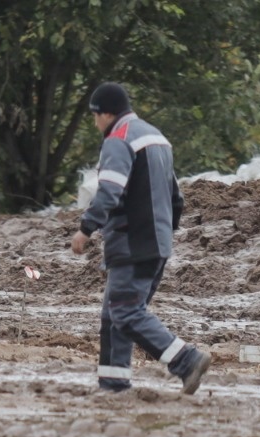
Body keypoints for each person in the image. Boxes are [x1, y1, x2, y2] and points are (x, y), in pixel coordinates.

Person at [71, 82, 211, 394]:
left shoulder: (118, 140)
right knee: (114, 314)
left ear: (107, 113)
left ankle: (186, 360)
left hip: (132, 243)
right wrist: (163, 233)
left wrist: (85, 228)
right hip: (156, 243)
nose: (96, 124)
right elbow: (177, 198)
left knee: (125, 311)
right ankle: (113, 382)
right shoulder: (157, 138)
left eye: (95, 116)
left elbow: (109, 191)